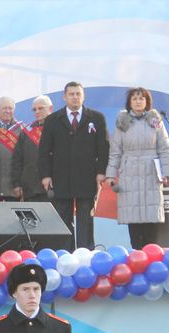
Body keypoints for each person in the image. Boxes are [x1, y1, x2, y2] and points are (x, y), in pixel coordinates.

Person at [38, 81, 109, 250]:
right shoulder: (52, 120)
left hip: (87, 177)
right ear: (65, 97)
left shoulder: (97, 118)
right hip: (60, 177)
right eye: (71, 94)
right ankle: (66, 255)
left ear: (83, 96)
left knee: (85, 218)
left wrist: (101, 172)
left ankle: (85, 254)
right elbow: (44, 150)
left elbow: (104, 147)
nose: (75, 97)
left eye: (78, 94)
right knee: (63, 218)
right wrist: (46, 175)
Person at [105, 87, 169, 249]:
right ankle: (136, 255)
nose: (138, 101)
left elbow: (164, 148)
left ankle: (151, 255)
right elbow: (116, 151)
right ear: (129, 102)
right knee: (133, 220)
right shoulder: (123, 122)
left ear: (147, 102)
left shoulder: (155, 121)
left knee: (151, 219)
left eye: (141, 98)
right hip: (129, 172)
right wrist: (110, 175)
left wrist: (165, 172)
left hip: (151, 171)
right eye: (134, 99)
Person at [11, 96, 54, 202]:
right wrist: (16, 184)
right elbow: (17, 160)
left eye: (41, 108)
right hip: (31, 189)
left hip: (54, 188)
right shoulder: (26, 132)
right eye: (34, 109)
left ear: (50, 108)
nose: (37, 111)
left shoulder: (60, 129)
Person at [0, 96, 23, 201]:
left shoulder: (22, 129)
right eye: (4, 108)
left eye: (10, 108)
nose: (8, 111)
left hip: (13, 188)